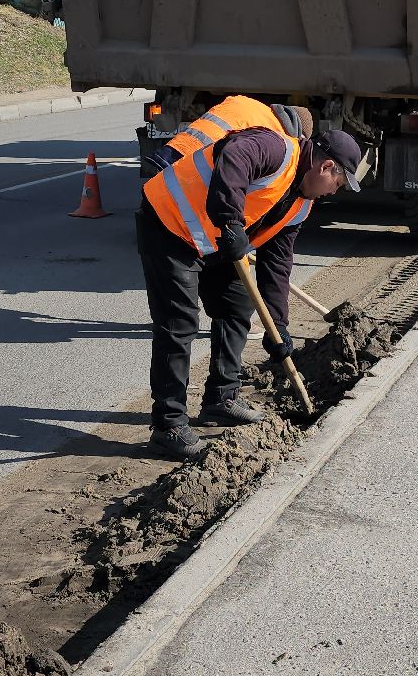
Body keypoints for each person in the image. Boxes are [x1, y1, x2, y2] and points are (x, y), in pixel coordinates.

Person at [137, 96, 362, 460]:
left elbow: (277, 266)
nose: (336, 192)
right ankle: (168, 426)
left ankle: (221, 398)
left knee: (237, 305)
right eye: (339, 182)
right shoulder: (276, 148)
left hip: (213, 241)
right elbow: (235, 157)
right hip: (168, 222)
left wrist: (279, 328)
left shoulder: (302, 204)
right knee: (179, 325)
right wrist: (230, 221)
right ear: (327, 167)